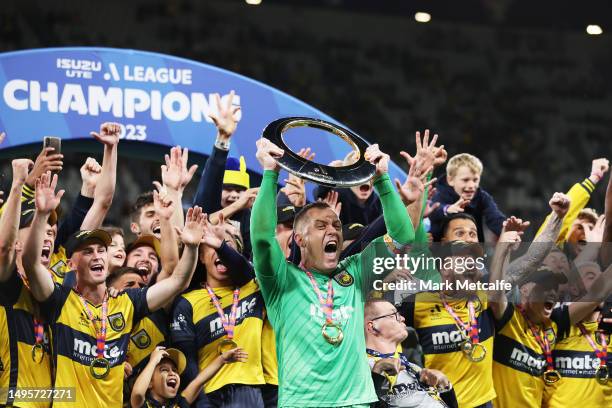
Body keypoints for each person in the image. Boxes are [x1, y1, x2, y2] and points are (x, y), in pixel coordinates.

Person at [21, 169, 208, 407]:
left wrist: (191, 248)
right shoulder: (61, 300)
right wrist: (41, 216)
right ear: (71, 265)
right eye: (88, 251)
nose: (97, 255)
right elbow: (31, 263)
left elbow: (177, 280)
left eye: (101, 250)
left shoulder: (127, 302)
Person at [251, 138, 415, 407]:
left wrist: (383, 180)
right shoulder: (281, 280)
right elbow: (261, 238)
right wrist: (270, 173)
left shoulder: (354, 273)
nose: (333, 230)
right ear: (300, 239)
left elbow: (402, 237)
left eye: (336, 225)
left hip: (357, 402)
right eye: (321, 226)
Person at [488, 219, 612, 408]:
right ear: (526, 290)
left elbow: (596, 294)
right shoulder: (508, 319)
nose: (552, 292)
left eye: (554, 287)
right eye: (545, 287)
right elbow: (495, 293)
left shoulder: (554, 324)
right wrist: (503, 247)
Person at [171, 215, 267, 407]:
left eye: (226, 246)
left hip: (249, 389)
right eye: (211, 246)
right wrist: (202, 402)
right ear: (201, 258)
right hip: (209, 393)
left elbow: (246, 269)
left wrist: (220, 244)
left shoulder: (255, 286)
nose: (220, 251)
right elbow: (188, 362)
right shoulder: (187, 302)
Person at [397, 242, 495, 408]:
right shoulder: (417, 303)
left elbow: (523, 269)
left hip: (482, 402)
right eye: (463, 260)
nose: (472, 264)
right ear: (445, 269)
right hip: (440, 402)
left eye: (475, 261)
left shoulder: (484, 295)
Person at [0, 159, 55, 408]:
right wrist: (18, 184)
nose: (46, 235)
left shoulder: (60, 289)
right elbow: (3, 248)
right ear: (18, 241)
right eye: (35, 227)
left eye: (51, 231)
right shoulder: (9, 284)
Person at [365, 298, 457, 408]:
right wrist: (377, 372)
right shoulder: (363, 368)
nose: (402, 318)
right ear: (372, 327)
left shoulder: (414, 368)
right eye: (393, 315)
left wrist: (445, 387)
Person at [130, 346, 247, 408]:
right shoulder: (142, 404)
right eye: (164, 370)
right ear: (150, 383)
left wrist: (222, 359)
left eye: (175, 370)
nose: (172, 373)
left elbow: (199, 381)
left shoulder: (179, 404)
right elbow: (138, 393)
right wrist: (153, 361)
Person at [429, 152, 506, 242]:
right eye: (465, 180)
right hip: (440, 251)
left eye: (475, 180)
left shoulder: (482, 196)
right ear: (450, 180)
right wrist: (447, 209)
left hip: (474, 249)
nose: (471, 185)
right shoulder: (439, 194)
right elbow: (433, 210)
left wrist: (507, 229)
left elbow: (495, 218)